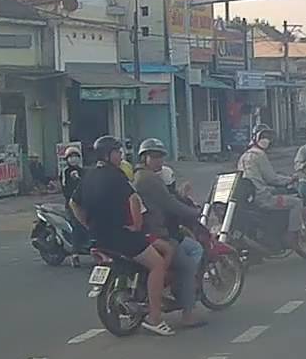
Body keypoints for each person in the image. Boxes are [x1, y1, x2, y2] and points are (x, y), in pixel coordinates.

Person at [71, 135, 176, 336]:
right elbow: (133, 200)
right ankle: (155, 318)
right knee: (158, 264)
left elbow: (74, 204)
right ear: (107, 155)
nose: (120, 156)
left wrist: (87, 225)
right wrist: (136, 225)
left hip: (97, 238)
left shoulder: (88, 175)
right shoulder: (116, 175)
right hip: (121, 237)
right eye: (117, 152)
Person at [132, 138, 207, 328]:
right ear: (144, 158)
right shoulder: (149, 179)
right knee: (187, 266)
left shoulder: (140, 176)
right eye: (154, 156)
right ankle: (188, 314)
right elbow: (170, 204)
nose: (159, 161)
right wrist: (194, 212)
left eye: (161, 157)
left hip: (149, 231)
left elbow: (171, 199)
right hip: (156, 233)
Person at [236, 124, 302, 251]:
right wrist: (290, 179)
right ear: (255, 138)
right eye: (263, 136)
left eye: (268, 137)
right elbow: (272, 179)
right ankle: (291, 237)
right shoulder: (259, 155)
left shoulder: (243, 157)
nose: (266, 140)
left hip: (249, 198)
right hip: (263, 198)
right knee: (296, 203)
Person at [61, 146, 88, 260]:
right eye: (71, 156)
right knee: (77, 225)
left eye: (76, 156)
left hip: (85, 203)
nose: (73, 158)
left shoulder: (83, 171)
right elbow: (65, 189)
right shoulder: (65, 172)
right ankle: (75, 254)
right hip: (72, 204)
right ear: (67, 159)